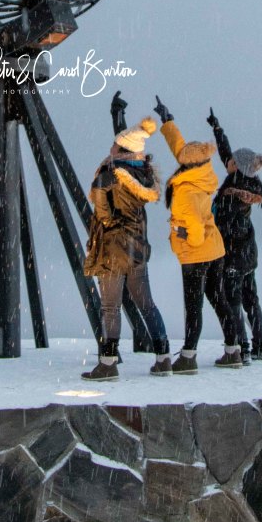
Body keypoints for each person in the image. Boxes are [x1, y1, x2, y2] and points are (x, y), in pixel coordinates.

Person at [82, 94, 171, 380]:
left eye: (114, 144)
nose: (110, 146)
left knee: (110, 306)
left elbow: (103, 213)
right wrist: (117, 117)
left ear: (121, 149)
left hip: (112, 249)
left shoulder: (108, 176)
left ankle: (107, 363)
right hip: (136, 248)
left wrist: (106, 219)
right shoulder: (142, 173)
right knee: (146, 303)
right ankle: (164, 356)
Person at [154, 95, 241, 373]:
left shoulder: (185, 191)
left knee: (193, 306)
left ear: (187, 164)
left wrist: (180, 234)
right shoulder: (202, 171)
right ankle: (233, 350)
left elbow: (192, 231)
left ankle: (188, 357)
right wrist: (167, 119)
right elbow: (180, 148)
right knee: (218, 299)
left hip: (196, 253)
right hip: (215, 249)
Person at [207, 107, 262, 363]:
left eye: (233, 161)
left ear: (239, 167)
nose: (228, 162)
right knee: (251, 298)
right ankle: (261, 346)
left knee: (233, 300)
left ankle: (241, 348)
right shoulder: (249, 182)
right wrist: (217, 128)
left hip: (233, 253)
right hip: (248, 252)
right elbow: (226, 153)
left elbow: (221, 221)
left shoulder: (232, 191)